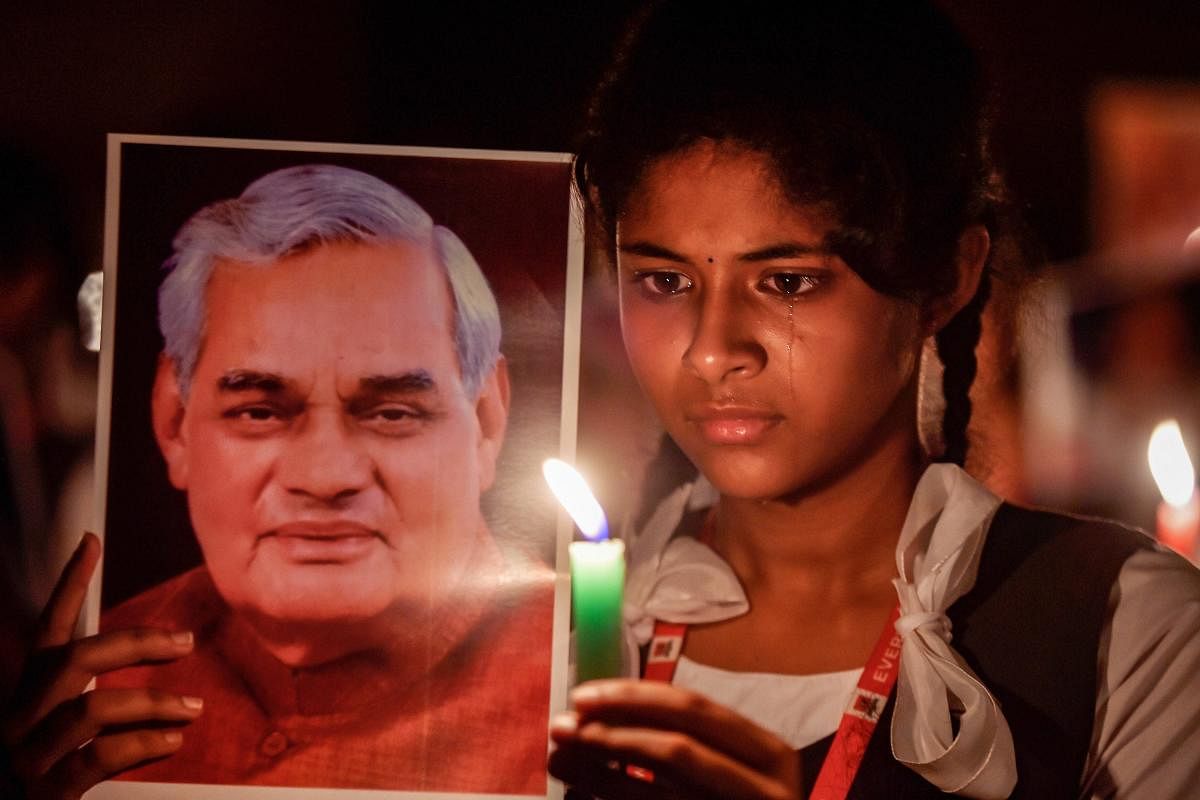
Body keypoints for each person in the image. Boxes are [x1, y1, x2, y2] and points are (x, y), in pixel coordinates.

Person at [548, 3, 1200, 799]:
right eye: (665, 281)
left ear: (946, 281)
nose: (713, 348)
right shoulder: (560, 633)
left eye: (787, 282)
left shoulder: (1123, 632)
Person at [2, 164, 554, 796]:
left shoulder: (577, 692)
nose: (324, 477)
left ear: (485, 423)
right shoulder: (101, 689)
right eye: (259, 412)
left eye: (393, 412)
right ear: (175, 423)